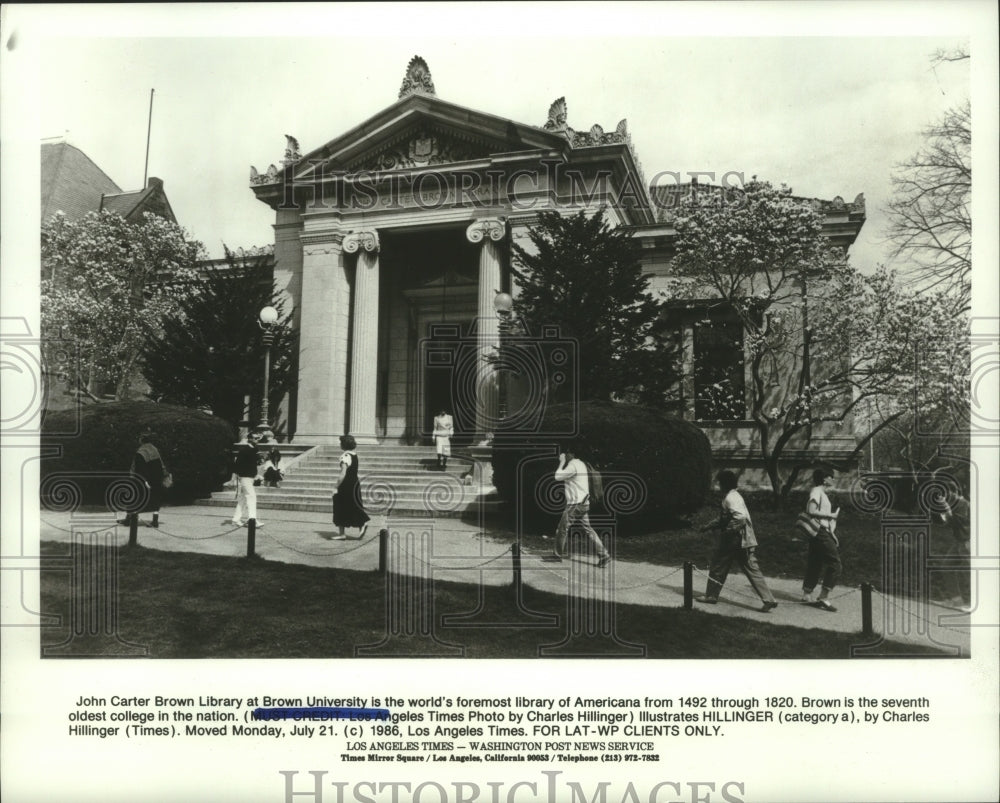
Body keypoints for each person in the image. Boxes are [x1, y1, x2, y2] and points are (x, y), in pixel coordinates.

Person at [695, 470, 778, 613]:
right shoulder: (735, 496)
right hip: (745, 540)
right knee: (752, 569)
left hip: (735, 538)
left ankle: (711, 596)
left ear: (725, 484)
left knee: (718, 566)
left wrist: (728, 531)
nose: (719, 485)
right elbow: (725, 518)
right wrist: (708, 526)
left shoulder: (730, 498)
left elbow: (739, 518)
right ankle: (769, 599)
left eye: (720, 483)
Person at [553, 444, 611, 567]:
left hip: (575, 505)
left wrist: (561, 462)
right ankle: (604, 555)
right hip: (584, 503)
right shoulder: (581, 464)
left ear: (570, 454)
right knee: (589, 530)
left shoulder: (573, 465)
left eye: (564, 454)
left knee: (561, 529)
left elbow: (557, 476)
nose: (563, 456)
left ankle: (556, 556)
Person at [800, 469, 842, 611]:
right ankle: (823, 598)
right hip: (819, 532)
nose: (834, 480)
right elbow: (811, 510)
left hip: (821, 531)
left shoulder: (820, 492)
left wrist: (832, 533)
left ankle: (807, 594)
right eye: (832, 477)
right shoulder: (817, 491)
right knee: (835, 564)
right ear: (825, 479)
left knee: (815, 561)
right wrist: (830, 515)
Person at [123, 431, 167, 528]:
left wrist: (145, 481)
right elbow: (160, 465)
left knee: (135, 498)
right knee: (155, 500)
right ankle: (155, 521)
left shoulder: (141, 452)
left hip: (144, 479)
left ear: (141, 441)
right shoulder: (155, 450)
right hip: (156, 479)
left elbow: (140, 468)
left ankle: (128, 519)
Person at [939, 486, 971, 612]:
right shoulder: (954, 503)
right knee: (946, 567)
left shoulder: (964, 504)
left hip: (967, 541)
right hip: (959, 540)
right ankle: (957, 600)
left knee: (970, 572)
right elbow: (948, 523)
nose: (946, 496)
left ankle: (972, 602)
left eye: (948, 493)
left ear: (955, 492)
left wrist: (946, 509)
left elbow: (958, 522)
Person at [332, 434, 369, 540]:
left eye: (340, 442)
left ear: (344, 444)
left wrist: (335, 486)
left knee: (340, 506)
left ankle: (342, 533)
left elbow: (343, 474)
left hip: (346, 485)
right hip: (355, 483)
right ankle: (361, 525)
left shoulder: (345, 456)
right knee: (354, 505)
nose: (339, 444)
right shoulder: (354, 455)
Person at [229, 431, 263, 528]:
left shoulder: (255, 450)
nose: (257, 440)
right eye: (255, 438)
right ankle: (252, 520)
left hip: (250, 477)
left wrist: (260, 463)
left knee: (243, 499)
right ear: (250, 439)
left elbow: (256, 463)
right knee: (252, 497)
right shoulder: (244, 450)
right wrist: (232, 479)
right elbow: (236, 465)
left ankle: (236, 519)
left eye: (258, 438)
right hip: (244, 477)